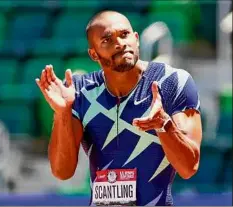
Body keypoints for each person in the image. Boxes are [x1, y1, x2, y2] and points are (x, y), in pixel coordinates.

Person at [35, 10, 202, 206]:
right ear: (93, 54)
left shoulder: (172, 82)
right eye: (107, 40)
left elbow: (189, 167)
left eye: (124, 35)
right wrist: (62, 114)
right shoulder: (80, 91)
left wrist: (165, 125)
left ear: (136, 39)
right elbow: (62, 172)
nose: (120, 43)